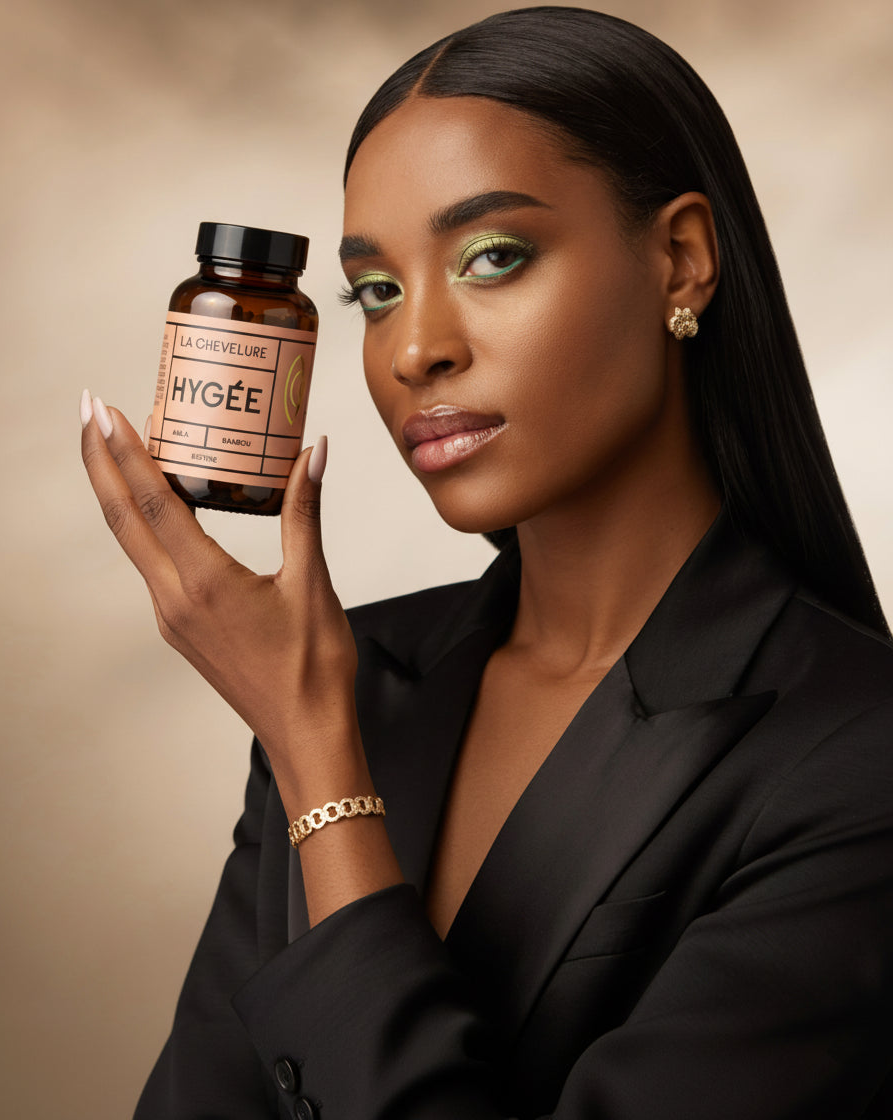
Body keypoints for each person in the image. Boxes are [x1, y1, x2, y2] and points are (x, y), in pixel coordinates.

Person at [80, 7, 893, 1118]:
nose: (415, 348)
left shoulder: (855, 757)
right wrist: (309, 729)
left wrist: (322, 771)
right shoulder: (343, 672)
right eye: (377, 291)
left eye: (491, 257)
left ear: (680, 260)